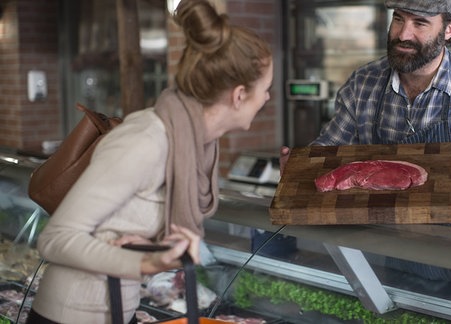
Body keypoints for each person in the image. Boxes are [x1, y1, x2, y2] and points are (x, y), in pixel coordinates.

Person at [27, 0, 273, 323]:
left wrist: (152, 243)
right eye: (265, 89)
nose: (268, 98)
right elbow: (55, 239)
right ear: (238, 95)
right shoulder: (148, 141)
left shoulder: (197, 143)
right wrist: (145, 264)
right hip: (71, 315)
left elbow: (124, 221)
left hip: (117, 310)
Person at [280, 0, 451, 288]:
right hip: (396, 253)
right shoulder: (363, 83)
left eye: (420, 23)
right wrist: (301, 165)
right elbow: (329, 152)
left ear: (449, 29)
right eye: (398, 19)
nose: (403, 34)